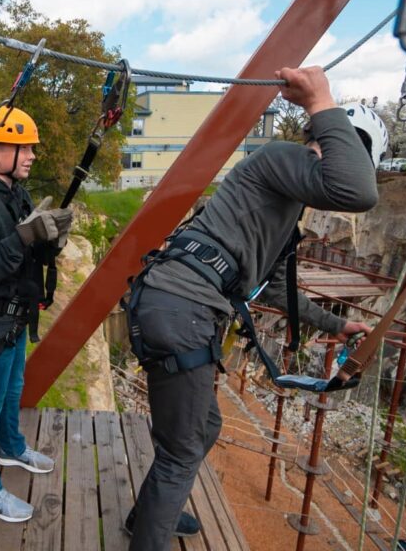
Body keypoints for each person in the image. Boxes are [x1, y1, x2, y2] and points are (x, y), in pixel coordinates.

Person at [123, 67, 384, 550]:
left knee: (204, 427)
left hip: (178, 305)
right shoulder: (280, 158)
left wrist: (335, 323)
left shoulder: (282, 210)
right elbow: (358, 191)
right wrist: (320, 99)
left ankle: (148, 517)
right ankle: (149, 530)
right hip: (183, 308)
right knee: (180, 453)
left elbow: (273, 291)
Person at [0, 106, 74, 523]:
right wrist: (25, 234)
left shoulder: (13, 193)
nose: (31, 156)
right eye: (23, 148)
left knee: (10, 391)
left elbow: (27, 256)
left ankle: (10, 446)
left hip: (15, 316)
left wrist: (51, 240)